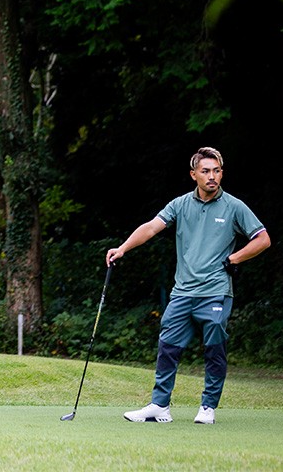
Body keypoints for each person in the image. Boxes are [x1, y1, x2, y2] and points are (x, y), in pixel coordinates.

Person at [107, 146, 271, 426]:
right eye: (205, 171)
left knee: (214, 347)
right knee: (168, 345)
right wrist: (122, 248)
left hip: (216, 290)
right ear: (193, 174)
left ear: (222, 173)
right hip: (183, 292)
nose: (212, 177)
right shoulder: (180, 204)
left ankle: (208, 407)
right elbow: (151, 227)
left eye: (216, 171)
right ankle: (160, 406)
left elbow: (262, 239)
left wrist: (235, 258)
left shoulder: (234, 206)